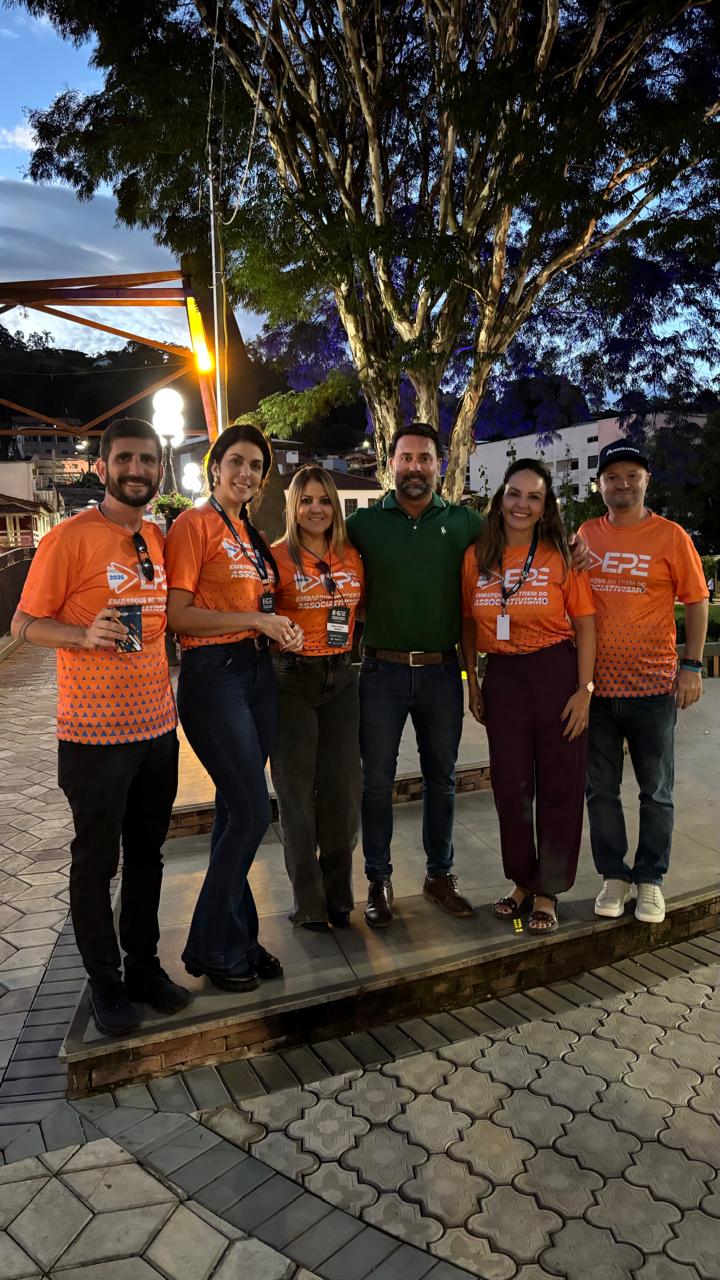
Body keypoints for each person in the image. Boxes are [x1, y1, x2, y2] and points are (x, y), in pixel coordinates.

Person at [347, 422, 592, 928]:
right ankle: (378, 880)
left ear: (440, 465)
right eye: (406, 457)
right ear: (390, 463)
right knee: (378, 783)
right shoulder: (364, 525)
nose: (415, 467)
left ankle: (445, 877)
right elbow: (315, 545)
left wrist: (574, 545)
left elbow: (531, 539)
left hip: (445, 673)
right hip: (383, 672)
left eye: (425, 458)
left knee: (443, 780)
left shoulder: (465, 525)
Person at [11, 417, 191, 1036]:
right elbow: (23, 625)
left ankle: (144, 969)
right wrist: (81, 635)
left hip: (157, 730)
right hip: (93, 736)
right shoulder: (69, 538)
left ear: (159, 469)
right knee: (95, 862)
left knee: (148, 857)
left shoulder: (158, 538)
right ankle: (105, 983)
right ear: (102, 467)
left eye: (147, 460)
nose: (136, 470)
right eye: (125, 459)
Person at [165, 423, 303, 991]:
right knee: (251, 812)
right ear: (215, 466)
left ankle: (238, 940)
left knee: (232, 812)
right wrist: (253, 620)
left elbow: (261, 605)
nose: (246, 474)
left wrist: (278, 628)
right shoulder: (193, 525)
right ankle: (207, 944)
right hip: (213, 675)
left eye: (256, 467)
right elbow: (178, 615)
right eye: (237, 462)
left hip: (256, 673)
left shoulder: (250, 533)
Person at [460, 459, 596, 932]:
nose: (522, 504)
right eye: (514, 494)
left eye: (533, 497)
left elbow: (586, 624)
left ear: (545, 507)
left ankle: (547, 890)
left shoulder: (562, 555)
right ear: (500, 498)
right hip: (502, 677)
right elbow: (467, 622)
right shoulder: (476, 556)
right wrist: (473, 682)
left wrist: (585, 690)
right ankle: (521, 880)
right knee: (510, 786)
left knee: (560, 784)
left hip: (555, 671)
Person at [579, 440, 708, 925]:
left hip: (653, 687)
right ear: (599, 485)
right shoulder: (587, 534)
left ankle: (651, 877)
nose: (623, 484)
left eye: (632, 475)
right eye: (612, 477)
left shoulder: (671, 536)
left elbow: (697, 601)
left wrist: (691, 667)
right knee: (601, 790)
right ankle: (614, 875)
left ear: (646, 481)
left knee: (656, 791)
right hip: (595, 691)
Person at [271, 466, 364, 931]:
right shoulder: (275, 558)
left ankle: (339, 896)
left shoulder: (351, 555)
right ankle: (309, 902)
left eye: (324, 500)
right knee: (296, 796)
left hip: (342, 677)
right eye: (306, 500)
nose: (316, 509)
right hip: (293, 681)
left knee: (343, 793)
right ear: (293, 506)